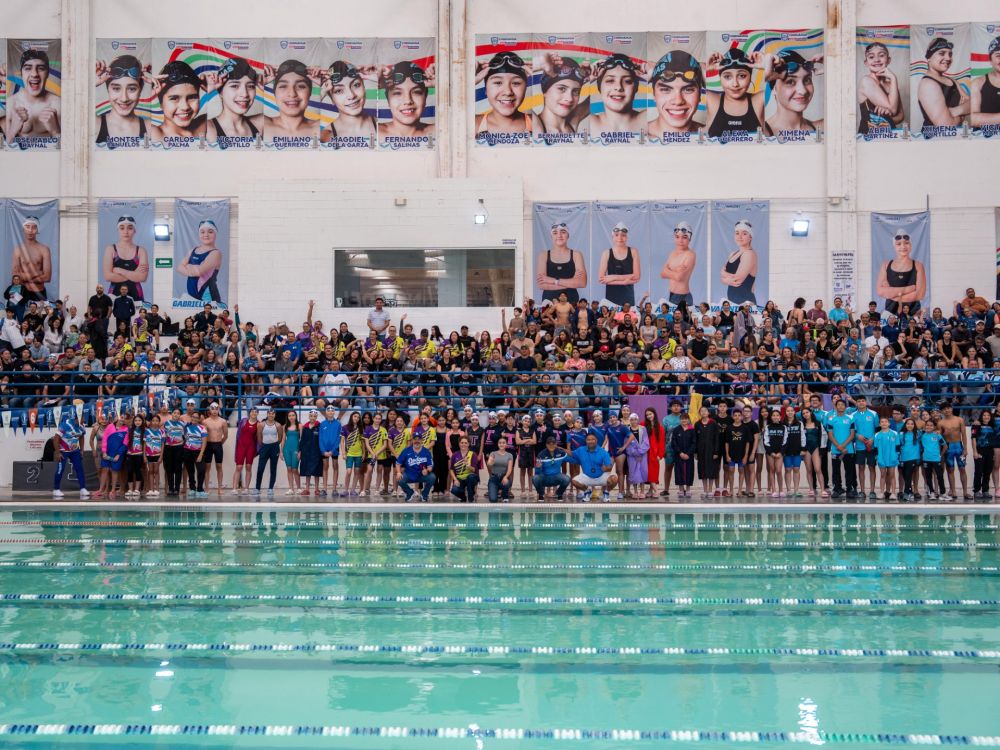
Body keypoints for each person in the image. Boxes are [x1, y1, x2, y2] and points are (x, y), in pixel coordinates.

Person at [705, 48, 767, 140]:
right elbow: (687, 85)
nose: (735, 84)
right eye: (727, 76)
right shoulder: (712, 100)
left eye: (742, 76)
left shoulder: (759, 100)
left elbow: (783, 86)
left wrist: (766, 64)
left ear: (750, 77)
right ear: (720, 78)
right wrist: (706, 67)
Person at [206, 57, 266, 146]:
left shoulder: (260, 123)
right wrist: (208, 88)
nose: (245, 94)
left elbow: (290, 115)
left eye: (250, 86)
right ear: (220, 91)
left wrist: (267, 86)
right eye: (234, 86)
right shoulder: (208, 129)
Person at [5, 48, 61, 144]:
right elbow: (4, 149)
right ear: (21, 74)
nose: (34, 74)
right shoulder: (11, 103)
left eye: (41, 68)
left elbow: (71, 149)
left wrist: (55, 132)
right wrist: (12, 130)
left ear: (47, 73)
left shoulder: (59, 104)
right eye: (28, 68)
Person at [764, 49, 824, 137]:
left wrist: (831, 61)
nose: (803, 91)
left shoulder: (822, 127)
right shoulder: (762, 132)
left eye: (807, 80)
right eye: (790, 82)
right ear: (773, 89)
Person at [646, 50, 704, 139]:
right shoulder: (637, 135)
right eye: (666, 89)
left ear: (700, 94)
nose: (678, 101)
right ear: (654, 94)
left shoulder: (711, 135)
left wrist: (705, 73)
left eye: (688, 89)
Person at [917, 37, 969, 135]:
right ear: (929, 58)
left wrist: (955, 111)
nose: (948, 58)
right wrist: (962, 114)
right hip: (933, 141)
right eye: (942, 53)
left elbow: (972, 104)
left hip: (954, 139)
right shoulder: (928, 84)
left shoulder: (952, 80)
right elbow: (946, 128)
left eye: (950, 54)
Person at [530, 52, 590, 138]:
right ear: (545, 91)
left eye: (576, 92)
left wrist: (593, 76)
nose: (569, 99)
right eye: (562, 89)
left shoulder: (573, 122)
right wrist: (540, 63)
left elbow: (602, 95)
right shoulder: (534, 123)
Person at [95, 54, 149, 146]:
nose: (124, 98)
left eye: (132, 89)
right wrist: (88, 83)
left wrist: (161, 82)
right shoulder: (94, 124)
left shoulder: (150, 127)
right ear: (108, 89)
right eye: (116, 88)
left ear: (140, 91)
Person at [475, 51, 532, 138]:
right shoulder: (473, 124)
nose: (508, 92)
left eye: (516, 83)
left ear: (526, 88)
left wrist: (538, 73)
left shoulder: (536, 122)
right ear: (485, 89)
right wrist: (471, 80)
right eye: (498, 82)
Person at [319, 60, 377, 145]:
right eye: (339, 91)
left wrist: (378, 77)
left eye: (356, 85)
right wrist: (321, 93)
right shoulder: (326, 136)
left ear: (364, 87)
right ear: (332, 99)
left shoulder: (381, 124)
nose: (351, 95)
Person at [263, 59, 320, 143]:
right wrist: (256, 79)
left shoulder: (320, 128)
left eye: (301, 86)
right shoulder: (262, 125)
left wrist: (326, 81)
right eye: (283, 86)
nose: (292, 94)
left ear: (310, 93)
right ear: (274, 92)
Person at [590, 52, 646, 139]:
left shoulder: (645, 120)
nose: (619, 87)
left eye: (627, 81)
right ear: (599, 86)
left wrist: (654, 73)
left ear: (636, 87)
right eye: (610, 80)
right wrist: (585, 76)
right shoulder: (591, 122)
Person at [148, 60, 206, 142]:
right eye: (174, 98)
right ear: (161, 102)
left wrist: (213, 90)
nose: (185, 107)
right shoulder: (154, 133)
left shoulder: (204, 125)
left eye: (192, 97)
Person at [875, 228, 926, 316]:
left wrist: (893, 295)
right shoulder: (886, 265)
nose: (903, 247)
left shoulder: (918, 266)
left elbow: (920, 294)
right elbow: (880, 291)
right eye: (898, 244)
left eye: (906, 243)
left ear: (911, 245)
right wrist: (909, 289)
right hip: (891, 311)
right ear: (894, 246)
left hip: (913, 311)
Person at [379, 60, 436, 139]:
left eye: (416, 92)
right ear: (388, 99)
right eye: (397, 93)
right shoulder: (373, 131)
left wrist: (441, 82)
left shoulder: (438, 132)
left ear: (425, 97)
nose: (408, 101)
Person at [857, 42, 904, 136]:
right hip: (868, 136)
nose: (877, 60)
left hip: (889, 135)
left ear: (888, 60)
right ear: (866, 63)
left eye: (881, 55)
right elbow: (893, 110)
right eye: (871, 57)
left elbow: (901, 116)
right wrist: (886, 116)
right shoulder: (866, 81)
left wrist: (883, 119)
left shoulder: (892, 84)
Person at [537, 221, 588, 303]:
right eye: (555, 233)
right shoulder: (543, 255)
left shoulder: (576, 255)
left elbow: (582, 283)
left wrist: (553, 281)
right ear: (551, 236)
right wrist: (571, 282)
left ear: (568, 235)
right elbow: (542, 284)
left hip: (571, 302)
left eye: (563, 232)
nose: (559, 236)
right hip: (549, 304)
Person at [102, 216, 149, 302]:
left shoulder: (141, 251)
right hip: (114, 294)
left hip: (136, 294)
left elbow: (142, 277)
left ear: (135, 230)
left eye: (130, 228)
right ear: (118, 230)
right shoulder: (110, 249)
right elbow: (108, 276)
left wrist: (119, 270)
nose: (126, 232)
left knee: (138, 315)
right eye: (122, 228)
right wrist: (134, 275)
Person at [176, 220, 224, 304]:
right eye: (202, 232)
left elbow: (199, 272)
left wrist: (187, 266)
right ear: (199, 234)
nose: (206, 235)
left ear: (215, 234)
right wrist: (195, 269)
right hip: (193, 297)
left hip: (208, 297)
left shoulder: (216, 253)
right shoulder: (193, 250)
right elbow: (179, 267)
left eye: (210, 232)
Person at [597, 222, 641, 307]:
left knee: (628, 319)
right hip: (611, 298)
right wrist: (624, 282)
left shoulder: (633, 252)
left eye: (623, 235)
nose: (620, 238)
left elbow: (637, 276)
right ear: (613, 237)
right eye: (617, 235)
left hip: (628, 297)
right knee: (611, 319)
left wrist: (613, 277)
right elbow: (601, 279)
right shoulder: (606, 253)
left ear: (627, 237)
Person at [567, 431, 618, 502]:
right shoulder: (581, 450)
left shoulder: (603, 452)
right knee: (574, 481)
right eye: (588, 440)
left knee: (614, 479)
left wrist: (606, 468)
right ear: (586, 441)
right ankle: (587, 492)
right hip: (587, 477)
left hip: (601, 477)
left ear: (596, 440)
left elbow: (609, 466)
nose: (590, 441)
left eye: (592, 439)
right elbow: (571, 453)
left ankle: (606, 492)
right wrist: (559, 449)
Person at [11, 216, 52, 303]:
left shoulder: (44, 249)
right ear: (23, 229)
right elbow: (15, 276)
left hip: (38, 292)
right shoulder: (18, 250)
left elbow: (47, 277)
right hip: (20, 291)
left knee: (40, 315)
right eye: (27, 227)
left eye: (34, 227)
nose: (30, 230)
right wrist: (37, 273)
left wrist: (25, 277)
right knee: (16, 314)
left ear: (37, 230)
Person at [719, 219, 758, 305]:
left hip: (746, 302)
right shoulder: (733, 254)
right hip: (733, 302)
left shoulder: (749, 254)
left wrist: (724, 278)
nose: (740, 236)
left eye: (744, 233)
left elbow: (737, 280)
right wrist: (726, 278)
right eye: (737, 233)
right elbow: (722, 275)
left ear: (750, 236)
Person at [52, 411, 89, 499]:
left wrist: (82, 450)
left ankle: (83, 489)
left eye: (84, 418)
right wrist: (57, 452)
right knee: (60, 469)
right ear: (77, 418)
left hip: (75, 450)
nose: (84, 420)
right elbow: (56, 438)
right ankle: (56, 489)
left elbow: (82, 436)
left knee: (79, 468)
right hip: (63, 450)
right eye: (83, 418)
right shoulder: (66, 424)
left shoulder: (82, 426)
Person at [826, 398, 858, 500]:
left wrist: (843, 446)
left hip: (848, 450)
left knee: (849, 470)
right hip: (835, 449)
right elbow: (830, 435)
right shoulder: (831, 419)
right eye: (838, 404)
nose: (840, 406)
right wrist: (838, 446)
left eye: (842, 405)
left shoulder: (850, 418)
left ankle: (850, 489)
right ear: (835, 406)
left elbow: (852, 434)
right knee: (835, 470)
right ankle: (837, 488)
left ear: (845, 407)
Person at [938, 403, 970, 501]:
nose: (947, 410)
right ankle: (953, 491)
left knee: (962, 469)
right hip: (948, 447)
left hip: (958, 446)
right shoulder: (941, 423)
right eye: (944, 409)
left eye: (948, 408)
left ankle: (965, 491)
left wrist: (965, 448)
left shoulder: (959, 420)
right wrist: (942, 451)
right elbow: (940, 438)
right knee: (950, 470)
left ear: (951, 409)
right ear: (942, 411)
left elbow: (963, 435)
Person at [660, 221, 697, 306]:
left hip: (683, 296)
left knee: (684, 319)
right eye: (677, 237)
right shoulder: (672, 253)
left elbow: (679, 277)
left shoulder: (690, 254)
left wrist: (669, 270)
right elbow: (662, 274)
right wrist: (675, 270)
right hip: (671, 295)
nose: (680, 240)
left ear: (689, 238)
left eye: (684, 237)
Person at [851, 395, 878, 499]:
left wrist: (873, 439)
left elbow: (878, 429)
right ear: (856, 403)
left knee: (872, 467)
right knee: (861, 467)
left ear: (866, 402)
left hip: (871, 445)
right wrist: (858, 436)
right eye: (859, 401)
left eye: (863, 401)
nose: (861, 403)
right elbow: (852, 430)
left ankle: (872, 491)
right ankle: (862, 491)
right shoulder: (852, 415)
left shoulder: (874, 414)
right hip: (859, 446)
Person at [971, 37, 1000, 134]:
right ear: (990, 60)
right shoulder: (978, 83)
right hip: (984, 141)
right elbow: (974, 119)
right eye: (998, 55)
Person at [397, 433, 435, 502]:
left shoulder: (426, 451)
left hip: (421, 475)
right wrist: (399, 472)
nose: (417, 441)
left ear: (422, 440)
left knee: (432, 477)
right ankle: (409, 493)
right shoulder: (406, 450)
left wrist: (427, 470)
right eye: (415, 439)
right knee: (399, 479)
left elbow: (430, 466)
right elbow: (398, 463)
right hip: (409, 474)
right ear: (412, 440)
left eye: (419, 439)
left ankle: (424, 494)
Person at [255, 408, 284, 497]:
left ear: (275, 415)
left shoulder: (278, 425)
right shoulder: (261, 424)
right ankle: (257, 488)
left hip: (274, 447)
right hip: (264, 447)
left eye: (273, 414)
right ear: (267, 414)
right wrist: (263, 445)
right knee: (260, 469)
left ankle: (270, 488)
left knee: (273, 469)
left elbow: (279, 438)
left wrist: (274, 445)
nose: (271, 415)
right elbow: (259, 436)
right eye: (269, 414)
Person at [532, 434, 570, 501]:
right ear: (546, 445)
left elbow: (572, 459)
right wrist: (538, 468)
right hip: (545, 477)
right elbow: (537, 473)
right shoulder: (541, 454)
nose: (551, 445)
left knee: (567, 479)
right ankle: (541, 494)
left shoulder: (561, 453)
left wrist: (581, 458)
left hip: (556, 476)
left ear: (556, 444)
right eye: (549, 444)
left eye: (553, 443)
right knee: (535, 478)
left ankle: (559, 494)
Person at [202, 402, 229, 497]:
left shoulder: (223, 421)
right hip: (208, 445)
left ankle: (220, 488)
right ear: (209, 410)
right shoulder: (205, 421)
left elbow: (225, 435)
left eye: (216, 408)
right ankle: (207, 488)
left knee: (219, 467)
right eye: (212, 408)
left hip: (218, 445)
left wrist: (219, 443)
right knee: (207, 467)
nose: (214, 411)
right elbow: (203, 436)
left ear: (218, 410)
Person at [873, 416, 900, 501]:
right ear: (879, 424)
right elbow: (876, 448)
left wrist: (896, 456)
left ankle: (893, 493)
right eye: (882, 422)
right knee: (883, 475)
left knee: (892, 475)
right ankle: (881, 492)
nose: (884, 423)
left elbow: (897, 447)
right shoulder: (877, 435)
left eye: (886, 422)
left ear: (889, 423)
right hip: (881, 458)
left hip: (892, 458)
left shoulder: (894, 434)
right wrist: (878, 458)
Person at [232, 407, 259, 495]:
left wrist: (257, 450)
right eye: (252, 411)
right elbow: (238, 435)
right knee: (239, 467)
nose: (254, 413)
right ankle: (234, 488)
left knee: (248, 467)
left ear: (257, 414)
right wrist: (237, 446)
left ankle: (246, 488)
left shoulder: (258, 424)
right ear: (249, 413)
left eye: (256, 412)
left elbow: (258, 438)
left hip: (251, 447)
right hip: (241, 446)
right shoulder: (243, 421)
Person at [670, 412, 697, 499]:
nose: (684, 420)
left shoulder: (692, 430)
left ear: (688, 420)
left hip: (689, 455)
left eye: (686, 418)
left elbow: (694, 443)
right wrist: (680, 453)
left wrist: (688, 453)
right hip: (679, 455)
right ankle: (681, 489)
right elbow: (673, 443)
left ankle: (688, 489)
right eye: (682, 419)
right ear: (680, 420)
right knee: (679, 471)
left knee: (689, 471)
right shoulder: (676, 430)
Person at [624, 413, 650, 499]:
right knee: (633, 473)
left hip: (642, 455)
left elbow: (646, 442)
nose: (633, 421)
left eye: (635, 419)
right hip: (632, 456)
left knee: (643, 472)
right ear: (629, 421)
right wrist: (633, 452)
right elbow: (626, 443)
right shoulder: (627, 430)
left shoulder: (643, 429)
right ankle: (635, 491)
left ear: (638, 420)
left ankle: (642, 491)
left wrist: (640, 452)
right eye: (631, 419)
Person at [319, 405, 344, 497]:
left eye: (332, 411)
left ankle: (334, 489)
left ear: (334, 413)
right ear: (326, 412)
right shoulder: (322, 424)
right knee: (325, 467)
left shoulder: (338, 424)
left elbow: (338, 438)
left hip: (334, 449)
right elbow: (320, 438)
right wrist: (323, 450)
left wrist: (333, 450)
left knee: (335, 467)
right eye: (328, 411)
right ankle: (324, 489)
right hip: (324, 449)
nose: (330, 412)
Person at [182, 411, 208, 498]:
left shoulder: (202, 428)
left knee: (201, 470)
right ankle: (192, 489)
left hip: (198, 452)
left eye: (196, 417)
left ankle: (200, 489)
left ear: (199, 419)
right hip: (187, 451)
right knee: (191, 472)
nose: (194, 418)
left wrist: (201, 454)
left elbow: (204, 443)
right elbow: (184, 438)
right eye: (193, 416)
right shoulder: (186, 427)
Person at [919, 419, 946, 500]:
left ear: (934, 427)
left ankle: (942, 493)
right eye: (927, 425)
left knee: (940, 476)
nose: (929, 427)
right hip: (926, 459)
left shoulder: (937, 435)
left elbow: (945, 446)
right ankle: (932, 493)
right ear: (925, 426)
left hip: (936, 459)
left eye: (931, 425)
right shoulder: (922, 435)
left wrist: (940, 455)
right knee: (928, 477)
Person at [972, 409, 996, 500]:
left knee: (987, 472)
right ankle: (977, 491)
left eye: (988, 415)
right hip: (980, 451)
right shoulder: (976, 425)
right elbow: (973, 439)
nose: (986, 417)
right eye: (984, 415)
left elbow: (992, 440)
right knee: (978, 472)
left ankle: (985, 491)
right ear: (981, 416)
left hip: (989, 452)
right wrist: (975, 452)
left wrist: (993, 454)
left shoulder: (992, 426)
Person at [298, 409, 323, 496]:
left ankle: (316, 489)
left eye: (314, 416)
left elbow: (322, 440)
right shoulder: (305, 427)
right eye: (311, 416)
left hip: (316, 452)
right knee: (307, 471)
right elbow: (302, 440)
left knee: (317, 471)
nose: (313, 418)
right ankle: (307, 489)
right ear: (309, 417)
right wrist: (300, 451)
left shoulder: (319, 427)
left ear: (316, 417)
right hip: (306, 452)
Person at [449, 435, 480, 502]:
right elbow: (451, 469)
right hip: (460, 478)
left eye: (465, 443)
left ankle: (470, 496)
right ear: (459, 444)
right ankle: (463, 497)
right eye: (462, 442)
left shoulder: (473, 454)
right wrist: (455, 480)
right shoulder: (455, 454)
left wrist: (468, 465)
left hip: (471, 477)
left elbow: (474, 470)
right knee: (454, 490)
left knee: (470, 478)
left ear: (468, 444)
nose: (463, 444)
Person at [162, 409, 185, 497]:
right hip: (168, 448)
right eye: (174, 413)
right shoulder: (166, 423)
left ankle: (177, 489)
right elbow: (163, 436)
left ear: (180, 415)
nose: (176, 414)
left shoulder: (183, 424)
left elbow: (185, 436)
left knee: (178, 469)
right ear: (171, 414)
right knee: (169, 469)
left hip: (179, 448)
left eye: (178, 413)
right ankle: (171, 488)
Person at [487, 435, 515, 503]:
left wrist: (505, 477)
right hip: (494, 478)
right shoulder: (493, 453)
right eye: (500, 443)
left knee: (507, 482)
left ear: (506, 444)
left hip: (504, 477)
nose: (501, 444)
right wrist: (491, 463)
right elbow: (489, 464)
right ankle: (495, 492)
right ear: (498, 444)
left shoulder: (509, 455)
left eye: (503, 443)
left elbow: (510, 469)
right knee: (493, 499)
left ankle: (505, 496)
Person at [282, 410, 301, 496]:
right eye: (290, 415)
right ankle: (291, 488)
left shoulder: (300, 426)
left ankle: (299, 488)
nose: (291, 417)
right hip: (287, 450)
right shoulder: (285, 426)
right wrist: (281, 452)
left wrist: (300, 451)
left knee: (295, 469)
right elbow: (283, 440)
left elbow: (302, 440)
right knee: (289, 469)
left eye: (293, 415)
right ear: (288, 417)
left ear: (296, 416)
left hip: (296, 449)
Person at [144, 414, 164, 498]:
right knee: (150, 471)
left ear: (159, 422)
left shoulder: (162, 432)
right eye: (153, 421)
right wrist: (144, 456)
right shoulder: (147, 431)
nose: (155, 422)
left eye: (157, 421)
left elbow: (163, 445)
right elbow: (144, 444)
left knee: (156, 471)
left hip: (157, 454)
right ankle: (151, 489)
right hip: (149, 454)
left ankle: (157, 489)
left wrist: (161, 456)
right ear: (151, 422)